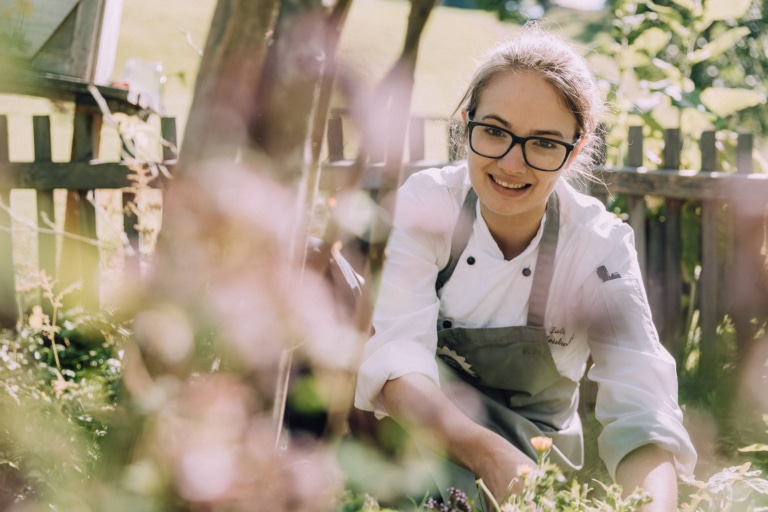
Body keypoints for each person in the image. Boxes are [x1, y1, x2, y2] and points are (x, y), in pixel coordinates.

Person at [353, 25, 697, 511]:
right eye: (494, 131)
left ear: (575, 150)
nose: (512, 164)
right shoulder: (429, 205)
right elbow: (396, 361)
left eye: (543, 143)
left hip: (535, 457)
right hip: (425, 436)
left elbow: (641, 401)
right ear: (466, 124)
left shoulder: (598, 246)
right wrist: (489, 455)